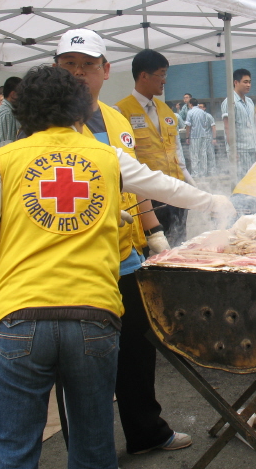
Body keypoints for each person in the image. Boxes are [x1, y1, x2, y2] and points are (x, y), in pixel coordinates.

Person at [0, 65, 235, 469]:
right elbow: (165, 186)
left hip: (18, 317)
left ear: (23, 111)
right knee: (94, 451)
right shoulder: (106, 155)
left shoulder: (4, 159)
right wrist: (213, 201)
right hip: (92, 317)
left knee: (12, 451)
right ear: (81, 110)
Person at [53, 28, 192, 456]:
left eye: (87, 66)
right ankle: (87, 451)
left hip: (125, 256)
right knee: (79, 362)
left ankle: (145, 431)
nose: (79, 74)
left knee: (136, 349)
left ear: (105, 70)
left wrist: (154, 234)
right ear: (56, 70)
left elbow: (136, 183)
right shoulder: (47, 123)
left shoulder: (116, 120)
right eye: (69, 66)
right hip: (75, 263)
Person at [115, 49, 195, 246]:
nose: (165, 81)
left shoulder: (166, 110)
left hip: (175, 192)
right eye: (161, 74)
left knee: (179, 247)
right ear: (144, 75)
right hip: (148, 198)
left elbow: (177, 152)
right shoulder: (120, 112)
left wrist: (192, 185)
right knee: (154, 249)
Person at [221, 68, 256, 179]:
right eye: (245, 82)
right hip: (239, 150)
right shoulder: (230, 102)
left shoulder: (250, 102)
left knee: (251, 180)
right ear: (236, 82)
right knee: (240, 181)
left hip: (252, 147)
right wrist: (233, 150)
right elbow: (228, 127)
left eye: (250, 82)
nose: (248, 85)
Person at [0, 76, 22, 147]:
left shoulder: (5, 111)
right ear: (13, 95)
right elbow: (5, 146)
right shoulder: (6, 113)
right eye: (22, 94)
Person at [185, 99, 216, 178]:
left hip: (194, 136)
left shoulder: (190, 112)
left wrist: (187, 136)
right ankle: (203, 172)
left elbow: (188, 125)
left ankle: (195, 173)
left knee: (194, 154)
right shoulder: (203, 112)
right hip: (204, 135)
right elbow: (205, 124)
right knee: (203, 154)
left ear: (191, 104)